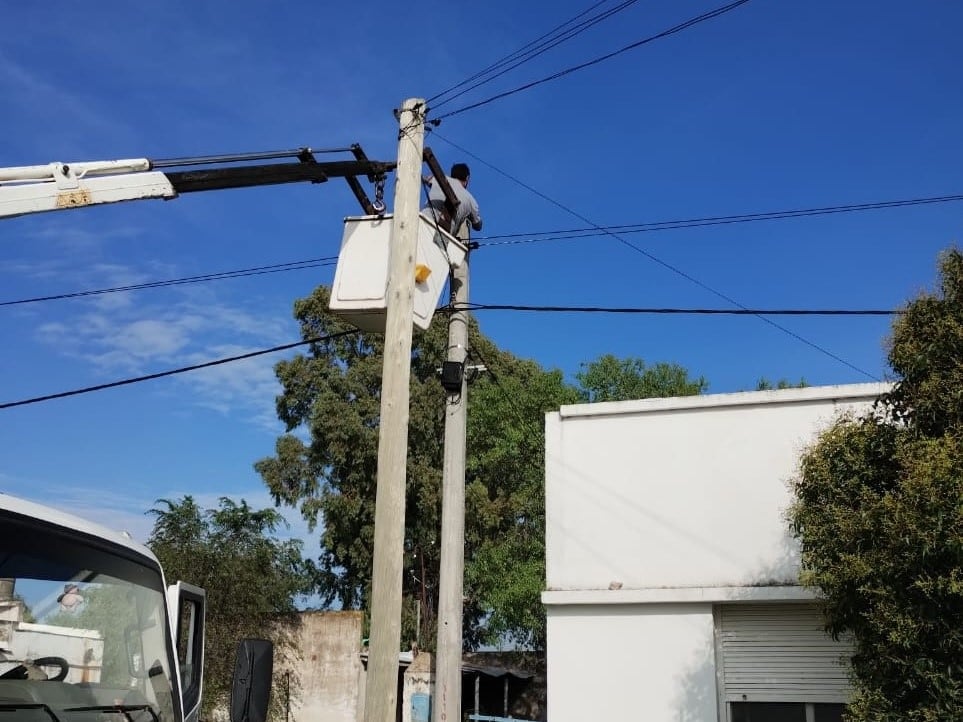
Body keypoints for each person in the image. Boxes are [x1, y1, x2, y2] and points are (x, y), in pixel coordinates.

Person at [423, 163, 482, 235]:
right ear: (467, 178)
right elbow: (478, 226)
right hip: (442, 237)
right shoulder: (470, 200)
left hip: (422, 221)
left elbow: (427, 179)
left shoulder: (438, 178)